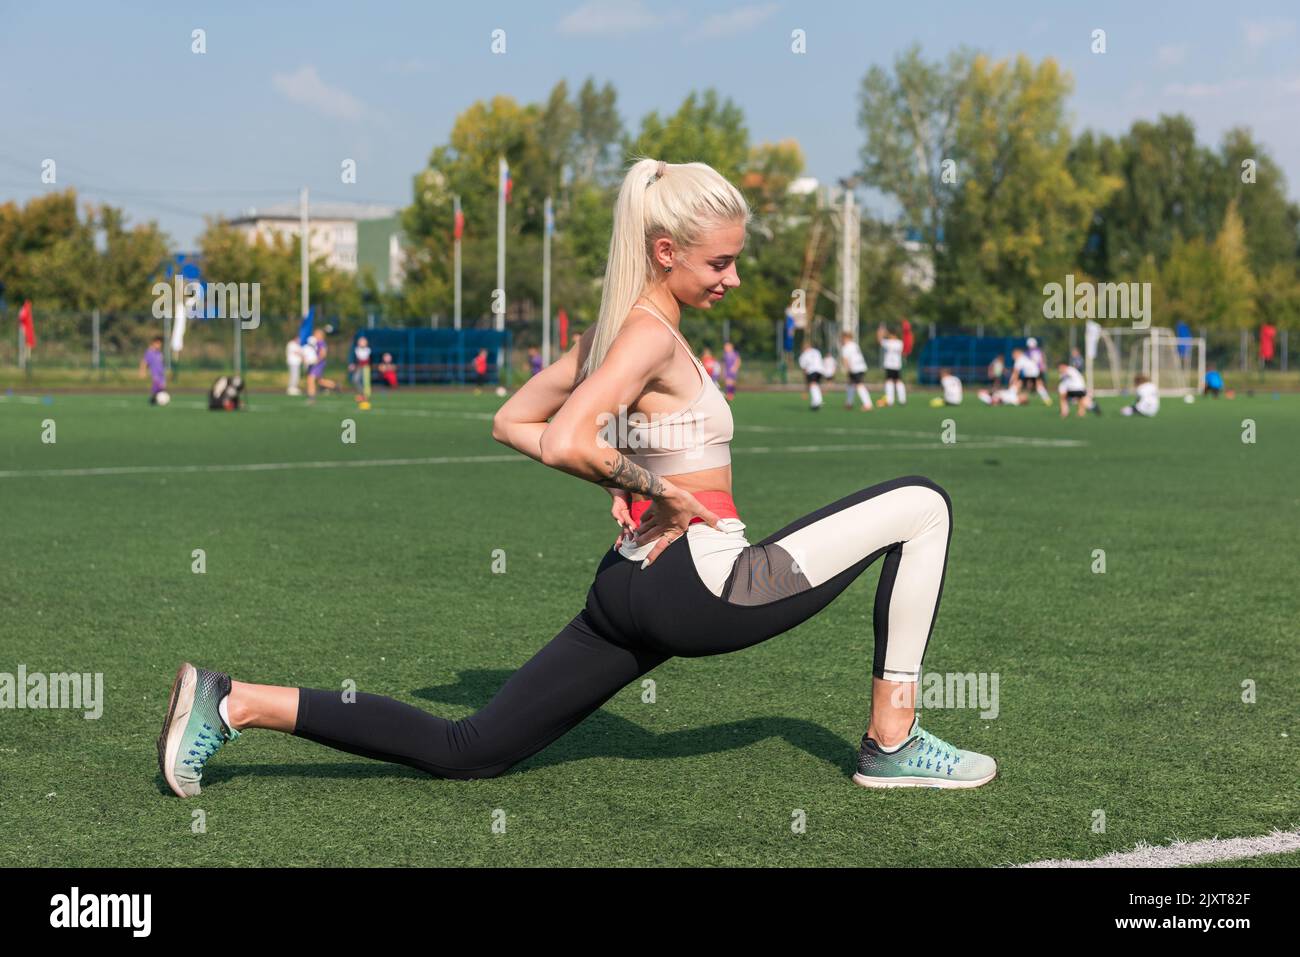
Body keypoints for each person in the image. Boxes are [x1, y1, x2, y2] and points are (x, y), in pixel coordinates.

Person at [157, 157, 995, 799]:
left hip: (629, 590)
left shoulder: (611, 333)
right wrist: (651, 486)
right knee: (924, 504)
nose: (733, 277)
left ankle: (234, 702)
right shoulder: (650, 337)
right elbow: (561, 437)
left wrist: (620, 483)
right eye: (720, 262)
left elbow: (511, 420)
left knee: (472, 749)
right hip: (705, 583)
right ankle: (892, 739)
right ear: (666, 252)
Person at [839, 331, 873, 411]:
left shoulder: (846, 347)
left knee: (859, 385)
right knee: (850, 384)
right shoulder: (854, 345)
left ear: (845, 338)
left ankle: (868, 404)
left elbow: (845, 359)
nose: (841, 340)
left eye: (842, 338)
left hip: (854, 368)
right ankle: (849, 403)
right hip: (861, 366)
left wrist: (847, 369)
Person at [877, 323, 906, 405]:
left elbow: (879, 339)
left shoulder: (888, 342)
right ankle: (902, 400)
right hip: (897, 365)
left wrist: (880, 331)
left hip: (889, 365)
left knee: (889, 381)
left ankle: (890, 401)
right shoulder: (900, 343)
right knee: (898, 381)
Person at [305, 328, 337, 400]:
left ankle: (311, 397)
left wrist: (317, 360)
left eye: (316, 334)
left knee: (311, 379)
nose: (315, 335)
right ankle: (335, 386)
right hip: (313, 363)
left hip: (318, 364)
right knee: (320, 381)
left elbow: (323, 353)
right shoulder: (314, 343)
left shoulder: (321, 342)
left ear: (321, 335)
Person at [797, 338, 825, 411]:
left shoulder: (803, 355)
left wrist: (805, 379)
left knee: (812, 385)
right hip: (820, 370)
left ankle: (818, 401)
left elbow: (804, 369)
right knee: (816, 385)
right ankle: (814, 404)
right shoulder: (817, 351)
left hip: (811, 371)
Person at [139, 336, 166, 404]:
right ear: (154, 343)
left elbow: (161, 363)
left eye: (160, 344)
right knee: (157, 387)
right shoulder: (149, 352)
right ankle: (153, 400)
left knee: (161, 387)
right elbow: (144, 362)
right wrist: (142, 371)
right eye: (158, 344)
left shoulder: (159, 353)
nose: (159, 346)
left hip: (161, 374)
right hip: (155, 374)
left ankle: (155, 399)